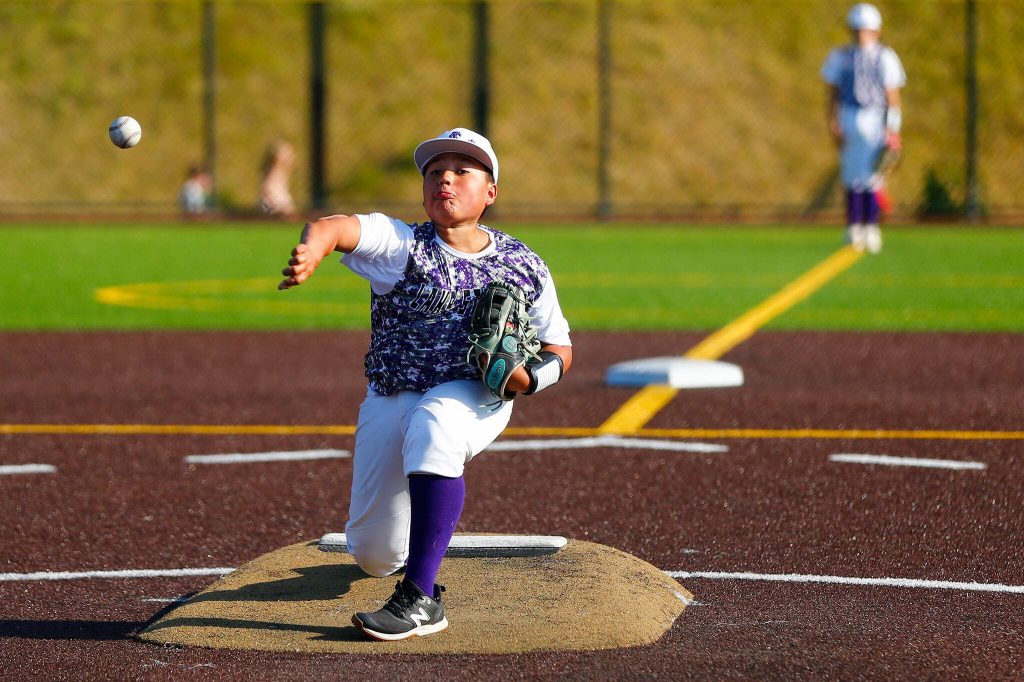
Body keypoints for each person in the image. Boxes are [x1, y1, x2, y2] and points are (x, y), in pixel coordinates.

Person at [277, 127, 573, 641]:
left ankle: (421, 598)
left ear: (490, 192)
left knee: (437, 421)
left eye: (462, 171)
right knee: (372, 554)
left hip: (473, 394)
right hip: (393, 393)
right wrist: (313, 250)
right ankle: (397, 560)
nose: (446, 180)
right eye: (435, 172)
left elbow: (561, 347)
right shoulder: (404, 246)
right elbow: (335, 226)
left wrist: (528, 378)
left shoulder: (523, 265)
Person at [821, 3, 906, 253]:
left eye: (866, 29)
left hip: (875, 118)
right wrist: (832, 122)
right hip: (849, 116)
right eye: (858, 29)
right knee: (851, 175)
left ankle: (871, 225)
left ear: (876, 31)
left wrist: (893, 128)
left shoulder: (886, 57)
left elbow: (892, 95)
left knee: (873, 176)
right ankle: (853, 226)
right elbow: (832, 94)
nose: (861, 34)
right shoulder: (840, 57)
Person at [260, 139, 297, 219]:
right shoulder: (274, 172)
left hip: (279, 203)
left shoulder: (283, 172)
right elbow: (267, 188)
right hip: (275, 204)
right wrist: (275, 204)